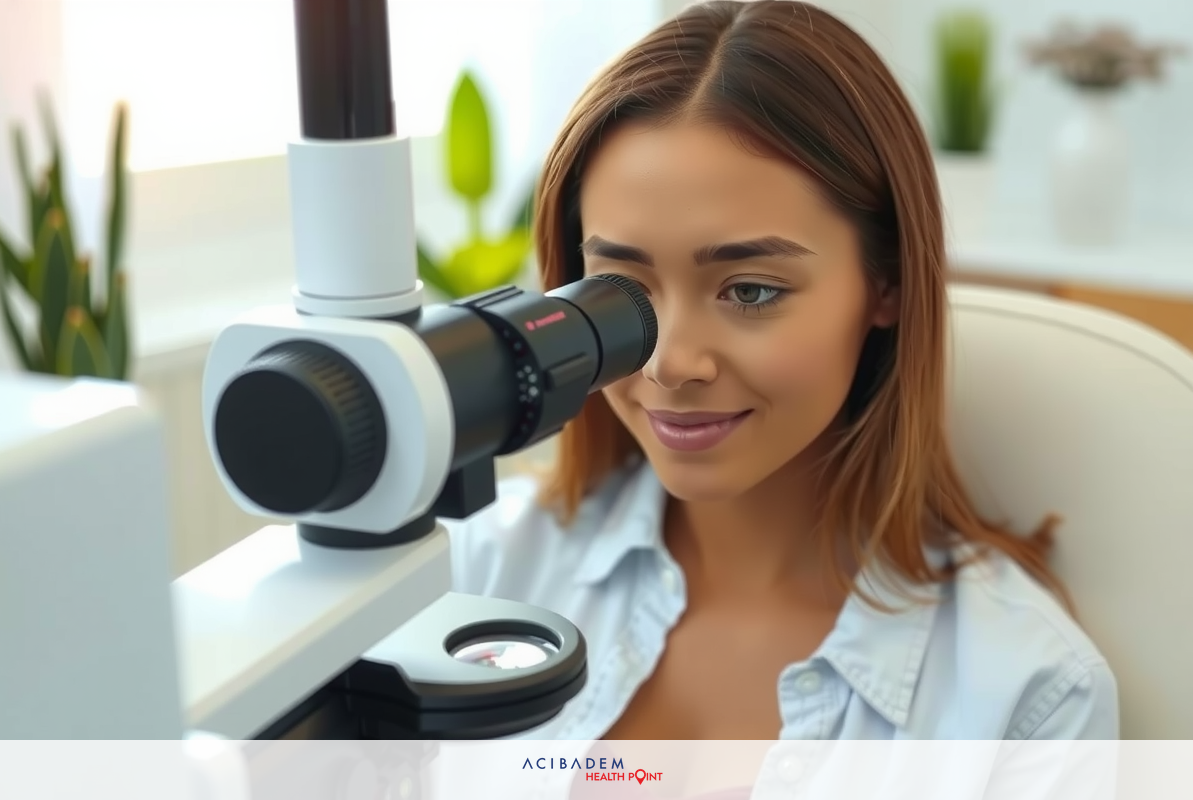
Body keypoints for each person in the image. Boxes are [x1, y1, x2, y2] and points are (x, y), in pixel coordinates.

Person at [446, 0, 1119, 740]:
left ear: (885, 284)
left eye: (751, 291)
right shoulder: (476, 573)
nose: (671, 364)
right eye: (621, 294)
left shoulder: (1027, 695)